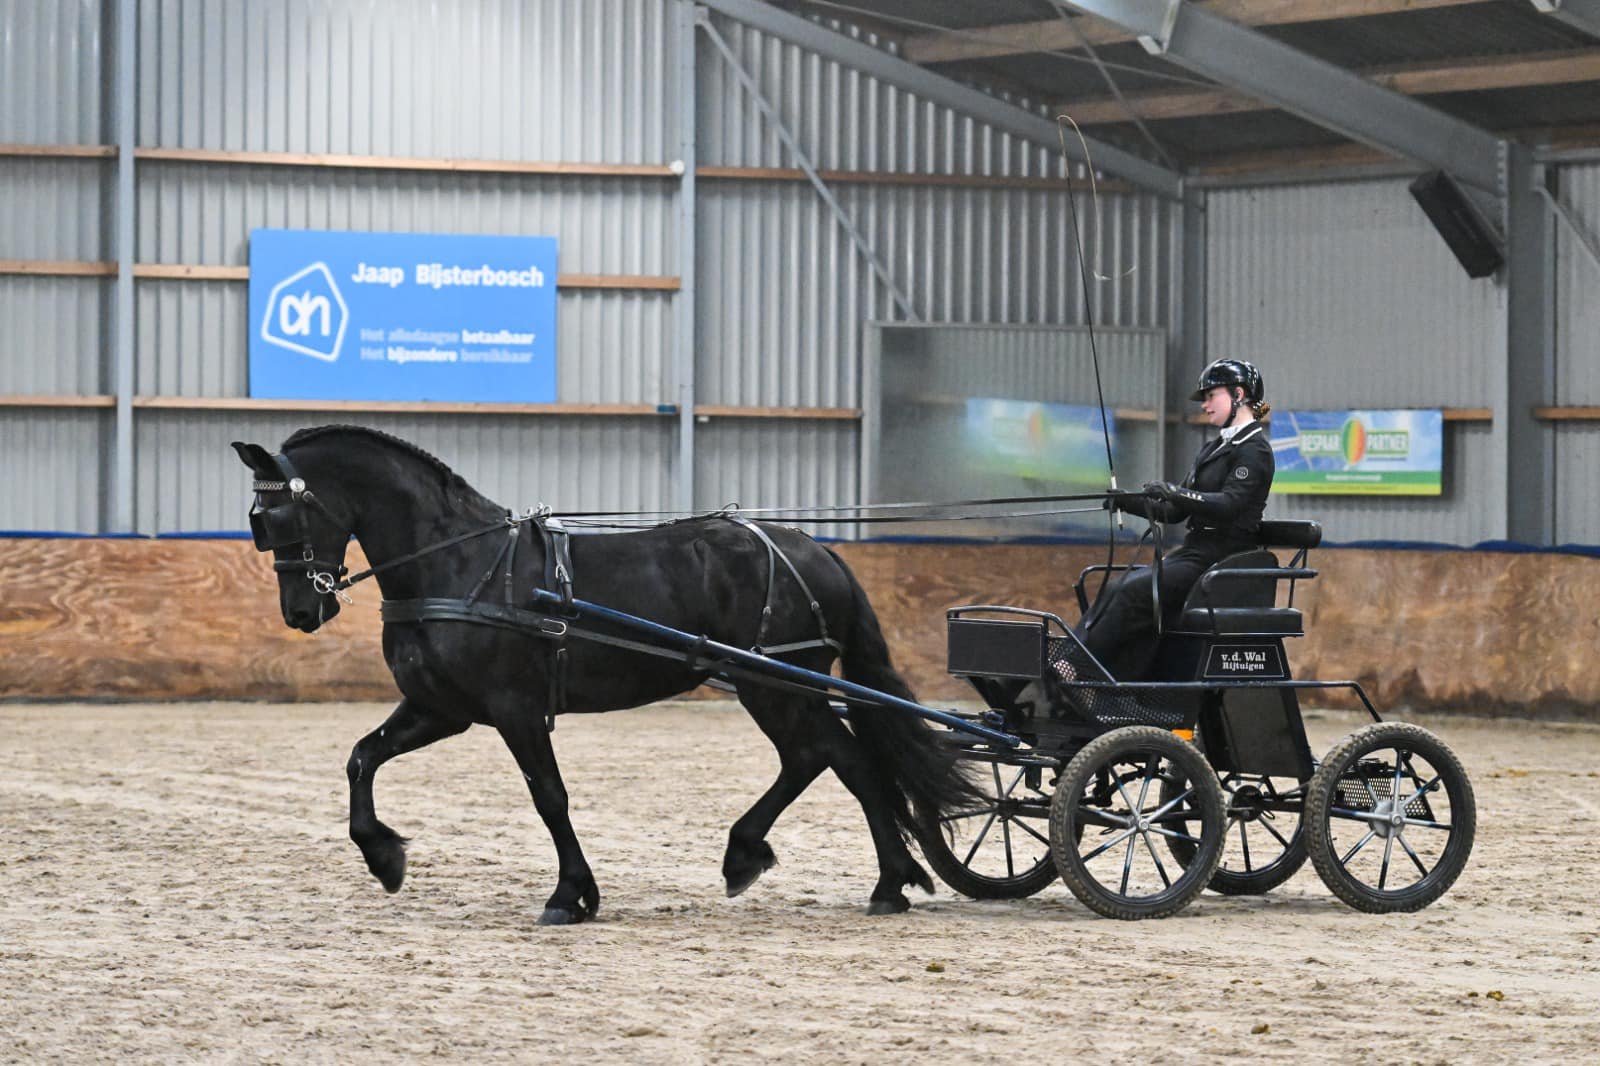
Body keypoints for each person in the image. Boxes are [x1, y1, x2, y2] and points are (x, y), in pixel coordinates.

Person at [1072, 358, 1275, 681]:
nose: (1205, 405)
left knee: (1134, 592)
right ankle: (1081, 664)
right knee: (1116, 587)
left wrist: (1175, 492)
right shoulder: (1211, 449)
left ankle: (1076, 669)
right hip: (1193, 552)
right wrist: (1127, 502)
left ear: (1238, 394)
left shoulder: (1254, 450)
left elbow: (1230, 504)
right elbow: (1175, 512)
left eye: (1211, 396)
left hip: (1221, 556)